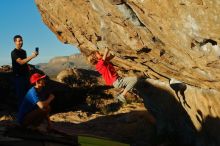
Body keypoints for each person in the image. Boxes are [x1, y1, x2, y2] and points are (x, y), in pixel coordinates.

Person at [11, 35, 38, 106]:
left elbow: (25, 63)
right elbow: (21, 62)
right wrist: (32, 56)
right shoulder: (13, 52)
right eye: (19, 41)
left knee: (28, 95)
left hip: (26, 76)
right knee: (21, 97)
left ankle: (29, 113)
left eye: (21, 40)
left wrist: (29, 74)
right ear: (15, 42)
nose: (21, 42)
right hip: (19, 77)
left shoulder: (24, 51)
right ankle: (22, 115)